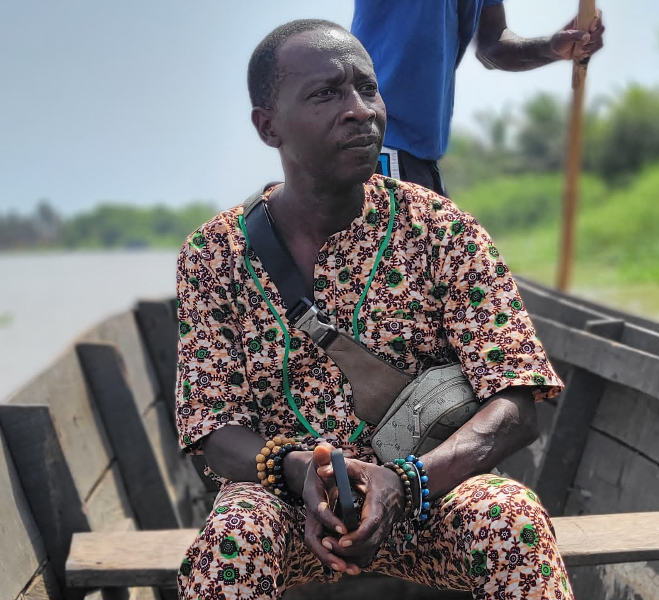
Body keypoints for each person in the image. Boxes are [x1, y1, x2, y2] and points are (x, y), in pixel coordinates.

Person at [175, 19, 570, 600]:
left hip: (429, 497)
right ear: (268, 127)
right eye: (326, 94)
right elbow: (211, 427)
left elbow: (515, 401)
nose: (360, 110)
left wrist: (404, 483)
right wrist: (298, 473)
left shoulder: (442, 230)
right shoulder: (213, 255)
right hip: (290, 510)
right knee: (235, 535)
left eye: (368, 88)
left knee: (511, 519)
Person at [351, 1, 605, 195]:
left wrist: (551, 48)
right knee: (399, 261)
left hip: (423, 155)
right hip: (380, 139)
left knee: (439, 261)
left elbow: (493, 47)